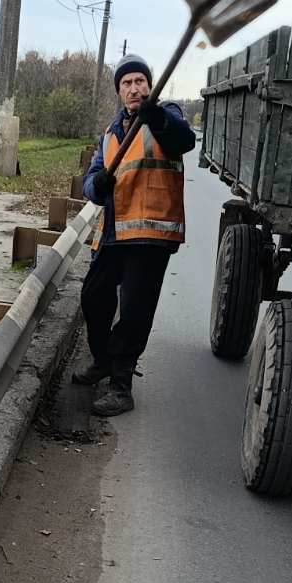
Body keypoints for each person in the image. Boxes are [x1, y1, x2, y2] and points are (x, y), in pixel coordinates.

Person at [74, 54, 197, 417]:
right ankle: (103, 360)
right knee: (93, 297)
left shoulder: (166, 115)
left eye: (140, 81)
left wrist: (155, 115)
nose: (134, 88)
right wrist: (97, 184)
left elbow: (183, 140)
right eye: (127, 83)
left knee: (134, 311)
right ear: (119, 91)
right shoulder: (111, 133)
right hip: (113, 232)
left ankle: (121, 385)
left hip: (150, 235)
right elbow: (91, 183)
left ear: (149, 86)